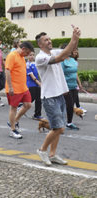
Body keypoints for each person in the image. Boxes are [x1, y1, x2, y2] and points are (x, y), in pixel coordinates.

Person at [35, 27, 80, 167]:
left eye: (49, 39)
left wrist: (76, 37)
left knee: (59, 128)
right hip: (49, 97)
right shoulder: (40, 57)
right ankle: (42, 150)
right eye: (45, 40)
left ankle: (52, 154)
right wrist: (73, 39)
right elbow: (61, 57)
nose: (49, 41)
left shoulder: (53, 51)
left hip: (60, 95)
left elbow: (70, 50)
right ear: (40, 44)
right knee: (58, 128)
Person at [5, 42, 34, 139]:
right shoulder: (12, 56)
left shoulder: (21, 57)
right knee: (13, 108)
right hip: (14, 88)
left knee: (28, 105)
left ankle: (14, 121)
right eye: (27, 52)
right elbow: (7, 70)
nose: (27, 55)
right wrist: (10, 87)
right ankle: (12, 130)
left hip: (23, 87)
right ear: (23, 49)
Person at [60, 45, 80, 130]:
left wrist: (79, 83)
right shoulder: (62, 61)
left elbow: (75, 73)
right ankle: (64, 122)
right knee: (67, 104)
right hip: (65, 86)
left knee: (71, 105)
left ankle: (69, 122)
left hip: (73, 86)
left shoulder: (73, 60)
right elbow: (60, 75)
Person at [26, 51, 43, 120]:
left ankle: (37, 114)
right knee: (31, 98)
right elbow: (32, 76)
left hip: (37, 84)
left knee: (39, 99)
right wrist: (39, 83)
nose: (32, 56)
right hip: (31, 84)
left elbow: (39, 74)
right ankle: (21, 107)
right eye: (30, 55)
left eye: (33, 55)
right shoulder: (27, 65)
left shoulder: (35, 64)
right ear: (27, 56)